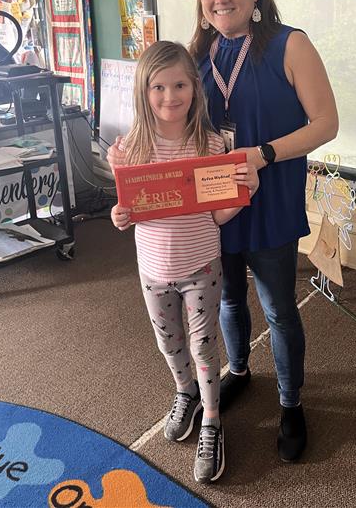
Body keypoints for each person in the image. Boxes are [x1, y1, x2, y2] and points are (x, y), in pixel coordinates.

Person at [109, 0, 338, 463]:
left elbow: (327, 123)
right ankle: (238, 371)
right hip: (209, 210)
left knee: (280, 309)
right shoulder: (195, 57)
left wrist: (265, 153)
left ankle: (290, 403)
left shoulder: (290, 44)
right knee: (228, 299)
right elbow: (164, 124)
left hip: (269, 195)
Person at [110, 40, 259, 484]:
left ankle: (212, 420)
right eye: (159, 87)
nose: (169, 96)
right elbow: (128, 212)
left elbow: (217, 215)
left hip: (201, 266)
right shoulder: (129, 150)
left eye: (179, 85)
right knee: (169, 344)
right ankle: (185, 393)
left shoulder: (210, 145)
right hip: (152, 269)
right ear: (144, 91)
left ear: (195, 88)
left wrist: (243, 191)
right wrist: (120, 216)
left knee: (203, 347)